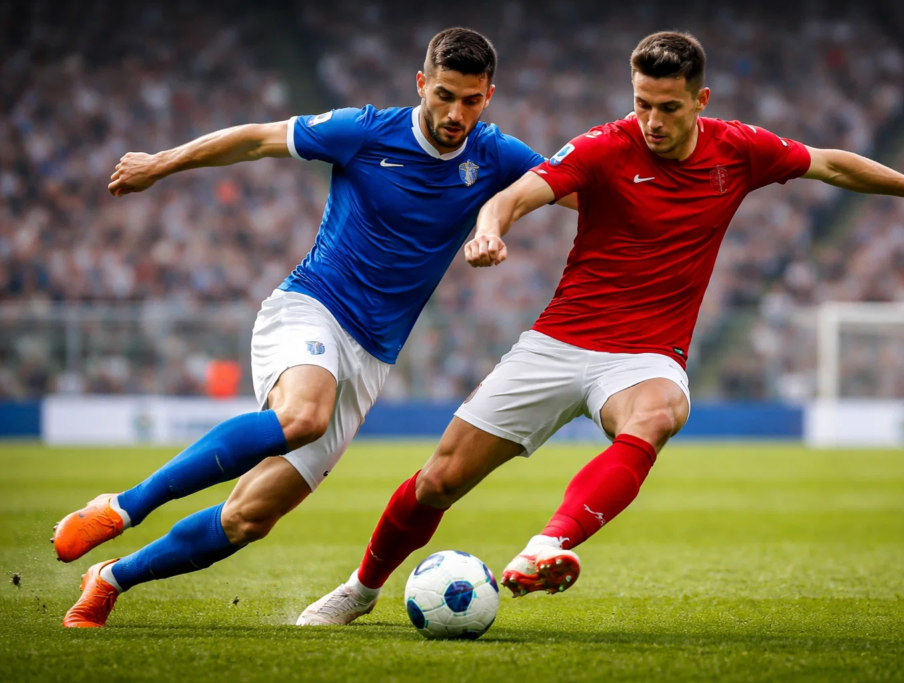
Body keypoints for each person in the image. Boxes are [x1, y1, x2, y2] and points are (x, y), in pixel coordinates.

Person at [300, 30, 904, 624]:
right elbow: (515, 193)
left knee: (657, 414)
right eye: (640, 103)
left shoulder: (740, 150)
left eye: (667, 107)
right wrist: (487, 231)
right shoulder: (603, 147)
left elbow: (830, 162)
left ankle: (547, 544)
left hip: (647, 352)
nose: (650, 121)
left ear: (701, 101)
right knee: (438, 480)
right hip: (560, 340)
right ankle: (361, 588)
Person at [56, 27, 575, 628]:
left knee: (248, 518)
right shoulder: (365, 130)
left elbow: (576, 188)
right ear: (420, 85)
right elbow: (257, 140)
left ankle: (112, 579)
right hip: (312, 306)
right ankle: (122, 506)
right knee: (303, 415)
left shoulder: (497, 154)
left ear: (489, 94)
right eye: (443, 96)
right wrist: (160, 163)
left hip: (372, 354)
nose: (455, 114)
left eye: (470, 100)